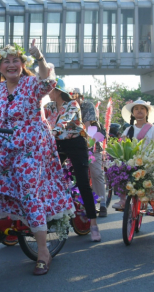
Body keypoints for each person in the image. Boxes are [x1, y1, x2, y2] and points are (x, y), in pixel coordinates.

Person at [0, 40, 74, 276]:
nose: (11, 65)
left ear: (23, 65)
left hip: (31, 145)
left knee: (28, 191)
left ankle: (43, 251)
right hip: (3, 142)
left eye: (16, 61)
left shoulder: (32, 84)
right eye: (6, 62)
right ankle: (4, 221)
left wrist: (40, 58)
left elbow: (47, 81)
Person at [45, 81, 101, 242]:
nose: (48, 92)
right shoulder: (49, 107)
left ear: (58, 91)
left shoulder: (72, 104)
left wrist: (54, 131)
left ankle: (93, 223)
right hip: (56, 142)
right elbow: (41, 120)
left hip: (75, 143)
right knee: (48, 176)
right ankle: (54, 215)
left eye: (51, 90)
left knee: (83, 182)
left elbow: (64, 120)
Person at [117, 99, 154, 240]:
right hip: (132, 165)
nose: (139, 111)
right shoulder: (128, 130)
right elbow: (121, 147)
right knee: (117, 173)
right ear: (132, 113)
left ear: (147, 112)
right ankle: (123, 199)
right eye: (136, 109)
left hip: (149, 166)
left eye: (142, 108)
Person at [73, 87, 108, 218]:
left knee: (96, 172)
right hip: (73, 142)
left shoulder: (87, 105)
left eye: (76, 96)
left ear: (80, 97)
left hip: (92, 140)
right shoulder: (64, 106)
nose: (74, 99)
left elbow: (88, 126)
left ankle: (103, 203)